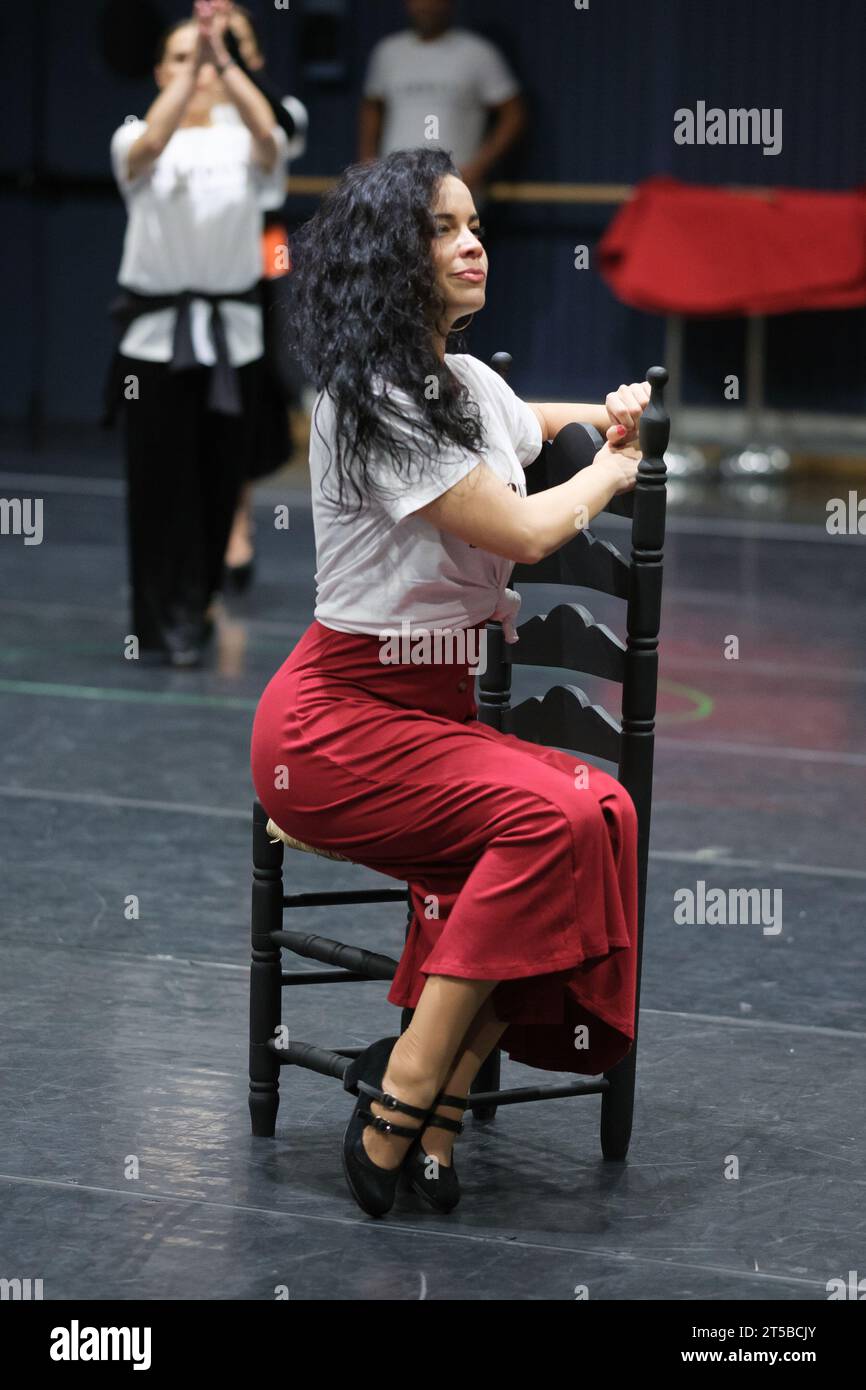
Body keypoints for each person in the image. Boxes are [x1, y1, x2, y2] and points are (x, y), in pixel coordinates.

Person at [250, 147, 650, 1218]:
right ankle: (408, 1092)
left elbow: (530, 422)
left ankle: (433, 1097)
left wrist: (607, 416)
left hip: (428, 720)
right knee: (548, 820)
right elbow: (521, 526)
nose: (470, 242)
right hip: (334, 728)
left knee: (593, 808)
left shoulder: (463, 383)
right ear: (391, 256)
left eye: (472, 223)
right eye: (440, 228)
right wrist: (614, 467)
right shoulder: (370, 401)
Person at [107, 0, 290, 666]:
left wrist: (225, 57)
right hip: (154, 347)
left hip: (231, 340)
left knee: (218, 480)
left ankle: (201, 601)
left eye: (204, 58)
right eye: (181, 58)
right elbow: (149, 146)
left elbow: (271, 132)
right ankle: (160, 623)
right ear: (160, 72)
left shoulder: (247, 140)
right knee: (160, 485)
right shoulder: (135, 136)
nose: (199, 68)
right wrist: (196, 66)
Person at [209, 0, 310, 592]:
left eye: (237, 42)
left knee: (254, 377)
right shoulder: (186, 115)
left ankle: (238, 521)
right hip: (197, 257)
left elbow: (282, 128)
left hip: (264, 244)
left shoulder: (279, 109)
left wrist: (230, 65)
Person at [359, 0, 526, 200]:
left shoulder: (479, 52)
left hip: (456, 186)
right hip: (394, 189)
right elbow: (372, 108)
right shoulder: (388, 52)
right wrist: (368, 165)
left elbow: (514, 113)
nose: (426, 6)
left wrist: (478, 168)